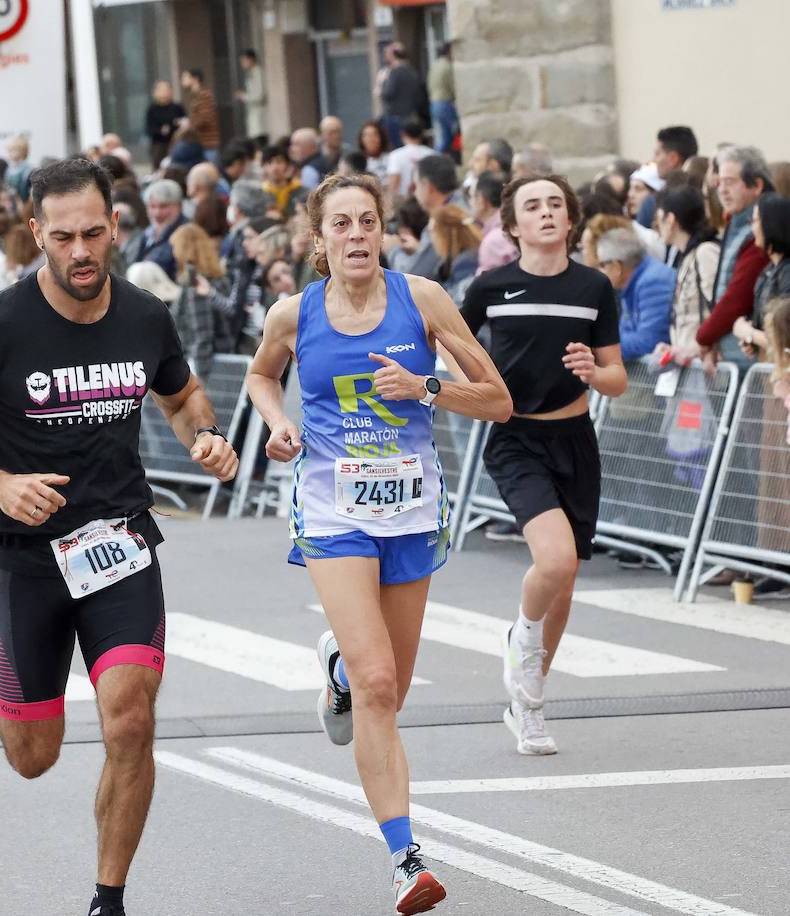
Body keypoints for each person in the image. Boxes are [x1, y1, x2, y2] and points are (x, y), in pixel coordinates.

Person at [0, 158, 238, 916]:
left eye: (94, 232)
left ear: (116, 226)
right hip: (28, 561)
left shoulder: (145, 315)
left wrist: (206, 438)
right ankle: (20, 697)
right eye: (64, 237)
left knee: (130, 716)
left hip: (119, 546)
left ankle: (109, 898)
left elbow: (183, 395)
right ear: (36, 234)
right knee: (34, 755)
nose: (81, 250)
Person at [245, 172, 511, 915]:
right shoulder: (293, 314)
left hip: (412, 511)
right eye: (342, 225)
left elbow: (497, 398)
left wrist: (425, 388)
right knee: (380, 683)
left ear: (385, 230)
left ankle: (335, 666)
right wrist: (278, 422)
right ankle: (405, 858)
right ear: (319, 239)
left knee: (387, 685)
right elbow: (262, 379)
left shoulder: (421, 300)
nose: (357, 235)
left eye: (368, 222)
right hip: (333, 511)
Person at [461, 174, 628, 755]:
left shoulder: (594, 286)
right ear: (513, 225)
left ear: (571, 218)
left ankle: (527, 703)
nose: (547, 213)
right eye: (533, 206)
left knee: (564, 581)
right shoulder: (491, 286)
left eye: (556, 203)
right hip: (515, 439)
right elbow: (452, 345)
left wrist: (592, 369)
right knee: (553, 561)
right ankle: (521, 639)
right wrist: (460, 386)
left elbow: (618, 378)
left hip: (575, 439)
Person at [697, 146, 772, 370]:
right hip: (732, 350)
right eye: (719, 182)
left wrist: (704, 337)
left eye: (730, 182)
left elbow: (737, 296)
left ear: (757, 185)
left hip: (748, 355)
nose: (722, 190)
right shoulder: (736, 220)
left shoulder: (760, 227)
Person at [653, 186, 719, 366]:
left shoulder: (705, 253)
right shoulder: (687, 257)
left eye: (659, 218)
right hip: (688, 363)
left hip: (706, 366)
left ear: (671, 219)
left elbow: (719, 307)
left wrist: (701, 347)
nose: (657, 226)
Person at [594, 226, 675, 360]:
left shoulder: (652, 282)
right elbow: (623, 333)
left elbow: (649, 341)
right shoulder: (632, 283)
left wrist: (599, 347)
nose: (599, 271)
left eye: (602, 265)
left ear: (617, 266)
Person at [169, 222, 233, 380]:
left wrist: (200, 378)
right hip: (220, 365)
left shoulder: (196, 284)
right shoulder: (219, 280)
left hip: (203, 368)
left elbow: (202, 334)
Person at [733, 193, 790, 359]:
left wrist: (748, 333)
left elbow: (785, 339)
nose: (752, 227)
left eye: (756, 220)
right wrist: (751, 341)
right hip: (770, 368)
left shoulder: (787, 272)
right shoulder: (768, 270)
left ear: (772, 224)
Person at [136, 179, 187, 279]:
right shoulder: (148, 233)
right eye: (152, 206)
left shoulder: (186, 233)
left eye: (163, 206)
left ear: (178, 206)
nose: (157, 213)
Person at [378, 45, 427, 149]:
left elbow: (388, 93)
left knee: (397, 147)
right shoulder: (412, 71)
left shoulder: (394, 72)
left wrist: (381, 84)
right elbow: (419, 96)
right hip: (409, 116)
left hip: (394, 116)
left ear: (393, 56)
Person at [384, 117, 434, 199]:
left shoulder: (396, 155)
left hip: (405, 203)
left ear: (403, 134)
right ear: (421, 135)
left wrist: (389, 203)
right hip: (428, 201)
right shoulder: (432, 154)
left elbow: (394, 181)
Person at [144, 81, 186, 172]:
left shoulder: (177, 107)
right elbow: (149, 128)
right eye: (161, 90)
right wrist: (160, 131)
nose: (164, 93)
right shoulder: (152, 109)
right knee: (159, 168)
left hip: (176, 142)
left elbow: (184, 123)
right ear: (155, 92)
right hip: (159, 144)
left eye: (166, 90)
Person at [179, 69, 220, 163]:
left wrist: (188, 124)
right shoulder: (196, 97)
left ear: (195, 79)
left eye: (185, 77)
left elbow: (204, 119)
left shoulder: (204, 96)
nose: (182, 81)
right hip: (200, 145)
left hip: (208, 145)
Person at [427, 43, 457, 154]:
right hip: (445, 103)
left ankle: (440, 155)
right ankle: (443, 155)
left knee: (445, 135)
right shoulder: (447, 66)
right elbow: (453, 86)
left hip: (434, 104)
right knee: (454, 134)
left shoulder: (435, 65)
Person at [235, 49, 267, 143]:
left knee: (259, 143)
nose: (242, 64)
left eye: (244, 60)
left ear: (251, 59)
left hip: (260, 118)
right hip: (255, 117)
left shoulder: (258, 72)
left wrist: (243, 96)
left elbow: (259, 96)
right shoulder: (251, 73)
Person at [357, 120, 391, 184]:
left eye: (374, 135)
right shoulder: (357, 162)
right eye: (366, 135)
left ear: (381, 137)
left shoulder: (391, 158)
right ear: (361, 139)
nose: (371, 139)